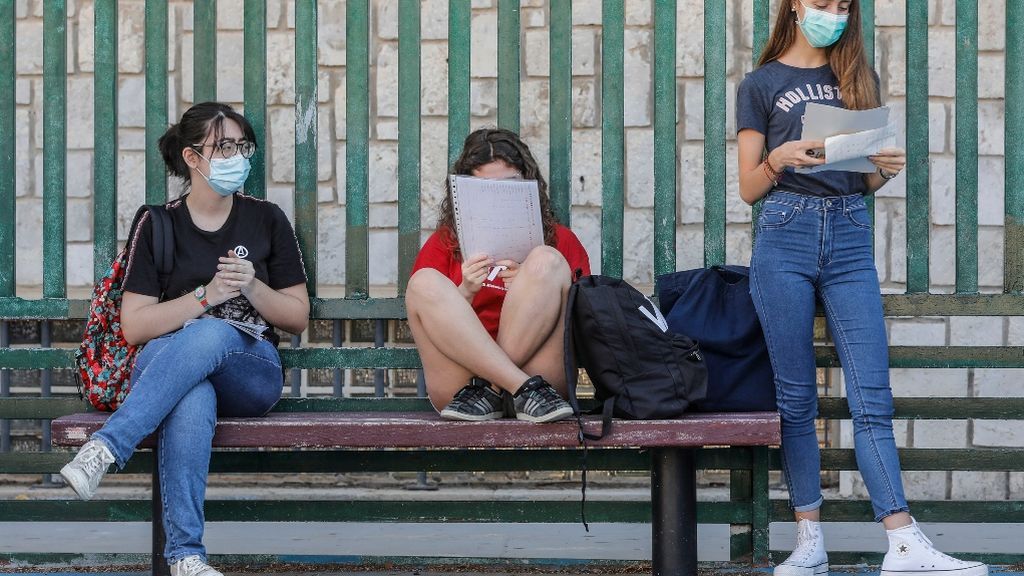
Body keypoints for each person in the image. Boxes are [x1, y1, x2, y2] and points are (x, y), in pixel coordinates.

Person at [736, 2, 987, 576]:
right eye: (823, 4)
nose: (834, 13)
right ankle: (808, 540)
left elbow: (862, 174)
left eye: (843, 5)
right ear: (795, 5)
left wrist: (883, 170)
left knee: (871, 395)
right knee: (796, 399)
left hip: (848, 234)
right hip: (784, 233)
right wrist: (777, 158)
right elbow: (749, 187)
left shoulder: (856, 77)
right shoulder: (762, 83)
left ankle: (901, 541)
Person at [60, 102, 309, 576]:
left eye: (242, 145)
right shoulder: (158, 223)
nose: (237, 155)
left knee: (214, 331)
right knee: (192, 390)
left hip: (249, 371)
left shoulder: (267, 219)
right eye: (224, 146)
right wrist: (205, 295)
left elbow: (298, 317)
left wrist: (251, 286)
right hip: (170, 372)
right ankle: (186, 557)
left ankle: (109, 445)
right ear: (193, 158)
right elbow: (134, 325)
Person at [406, 128, 590, 423]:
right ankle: (510, 385)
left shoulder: (560, 240)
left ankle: (493, 388)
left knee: (547, 260)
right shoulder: (444, 243)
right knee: (423, 283)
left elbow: (584, 321)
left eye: (508, 186)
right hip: (462, 387)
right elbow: (426, 316)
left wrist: (535, 292)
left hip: (540, 383)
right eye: (483, 190)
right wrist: (464, 290)